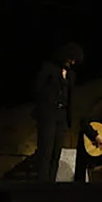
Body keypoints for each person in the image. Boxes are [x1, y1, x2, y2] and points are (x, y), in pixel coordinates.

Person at [33, 43, 83, 182]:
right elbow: (38, 90)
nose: (72, 63)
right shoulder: (48, 68)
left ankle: (51, 182)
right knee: (46, 152)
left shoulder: (71, 75)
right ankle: (42, 183)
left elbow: (70, 96)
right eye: (70, 59)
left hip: (62, 115)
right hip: (48, 114)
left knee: (56, 152)